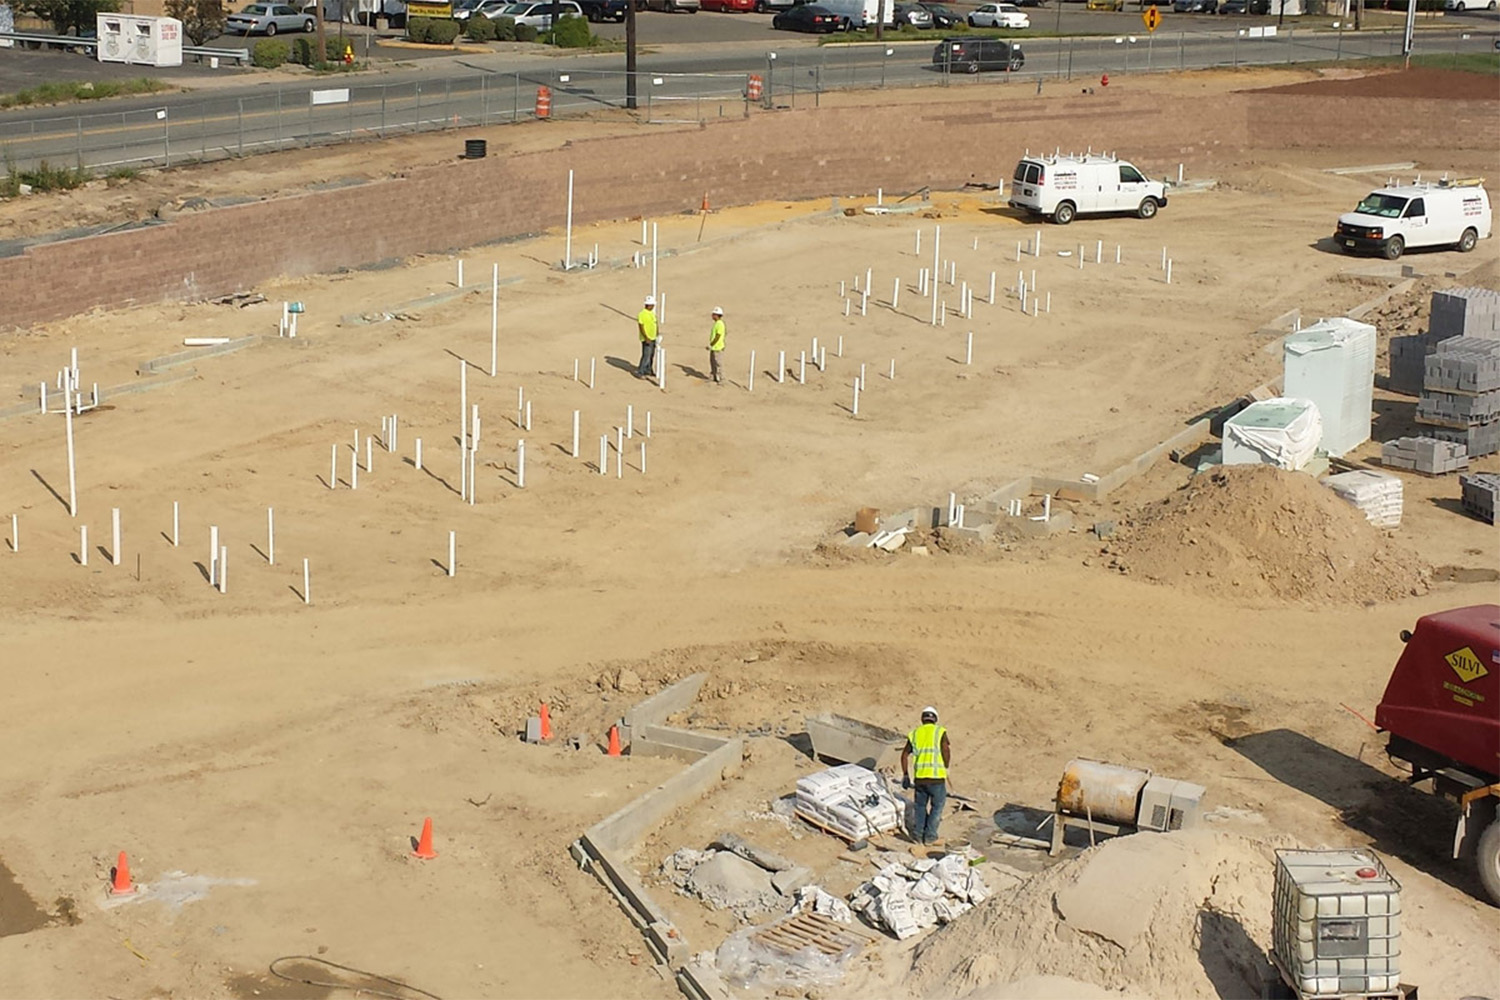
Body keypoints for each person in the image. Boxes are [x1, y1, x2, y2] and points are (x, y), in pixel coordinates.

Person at [901, 706, 951, 846]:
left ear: (922, 719)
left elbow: (904, 755)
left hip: (920, 779)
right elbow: (945, 750)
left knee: (920, 807)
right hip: (936, 778)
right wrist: (946, 766)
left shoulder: (915, 734)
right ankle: (930, 837)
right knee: (937, 807)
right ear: (935, 719)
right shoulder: (939, 731)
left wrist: (906, 775)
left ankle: (918, 835)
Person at [635, 295, 658, 378]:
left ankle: (648, 369)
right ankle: (640, 371)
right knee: (646, 355)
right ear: (649, 305)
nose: (653, 306)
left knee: (651, 355)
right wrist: (646, 337)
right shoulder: (642, 314)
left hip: (653, 337)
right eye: (652, 305)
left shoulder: (652, 313)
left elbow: (655, 324)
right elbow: (641, 326)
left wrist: (657, 334)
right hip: (646, 339)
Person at [707, 306, 726, 385]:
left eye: (714, 314)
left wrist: (712, 344)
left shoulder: (720, 324)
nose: (712, 316)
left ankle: (721, 379)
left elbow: (718, 336)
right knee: (712, 362)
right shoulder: (716, 323)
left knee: (718, 363)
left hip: (717, 347)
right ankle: (714, 377)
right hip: (714, 347)